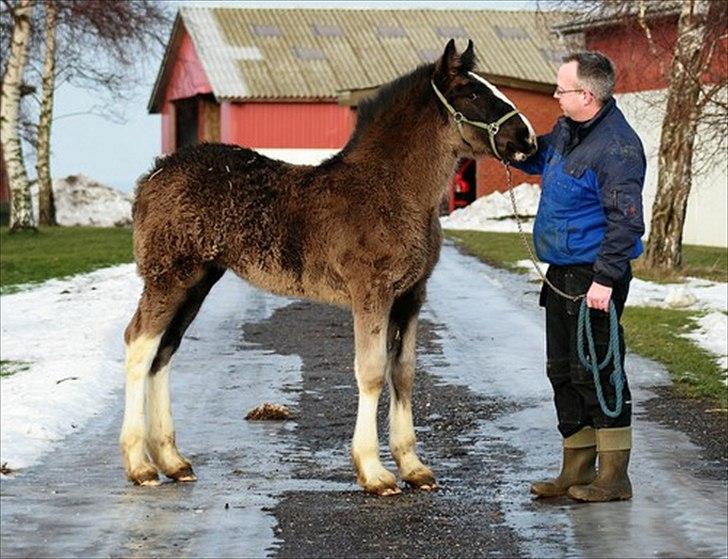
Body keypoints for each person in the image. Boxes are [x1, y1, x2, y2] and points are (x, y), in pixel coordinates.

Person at [512, 51, 645, 502]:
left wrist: (605, 282)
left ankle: (613, 477)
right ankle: (575, 467)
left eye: (561, 89)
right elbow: (543, 157)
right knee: (562, 371)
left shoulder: (618, 148)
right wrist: (513, 146)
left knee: (597, 368)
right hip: (563, 272)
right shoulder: (571, 130)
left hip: (595, 273)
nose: (554, 94)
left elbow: (626, 222)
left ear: (586, 95)